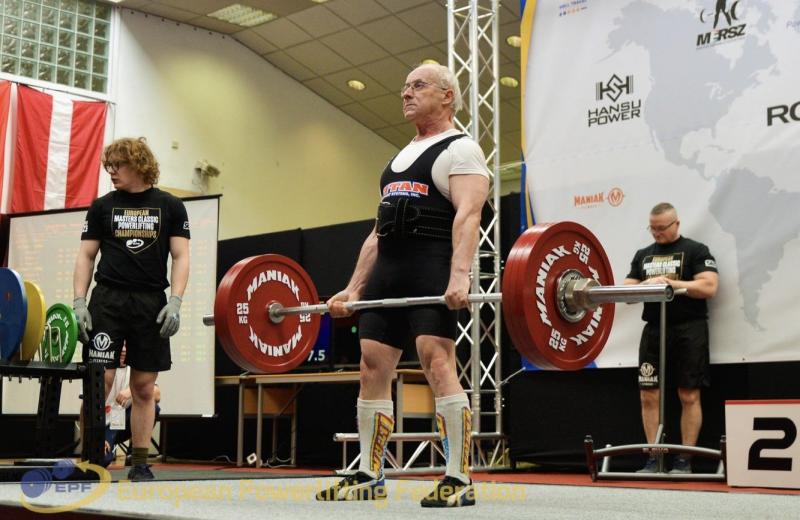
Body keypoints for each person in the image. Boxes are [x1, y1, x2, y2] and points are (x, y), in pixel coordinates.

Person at [315, 63, 489, 508]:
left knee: (437, 362)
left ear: (447, 96)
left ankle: (459, 477)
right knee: (371, 366)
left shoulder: (462, 149)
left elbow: (469, 215)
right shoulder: (396, 159)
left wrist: (459, 275)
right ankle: (369, 473)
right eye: (405, 87)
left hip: (431, 268)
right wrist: (354, 288)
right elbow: (378, 232)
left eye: (417, 86)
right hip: (388, 273)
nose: (406, 93)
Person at [73, 137, 190, 481]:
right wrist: (79, 301)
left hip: (150, 302)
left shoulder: (170, 206)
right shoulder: (102, 207)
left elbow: (181, 256)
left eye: (118, 165)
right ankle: (92, 458)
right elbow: (86, 256)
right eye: (108, 166)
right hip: (108, 299)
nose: (111, 171)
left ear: (139, 164)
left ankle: (139, 463)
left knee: (143, 386)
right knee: (100, 381)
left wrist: (176, 301)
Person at [624, 202, 718, 474]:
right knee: (648, 395)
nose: (657, 233)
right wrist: (645, 284)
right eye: (652, 228)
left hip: (689, 329)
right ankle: (654, 457)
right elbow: (626, 289)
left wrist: (672, 283)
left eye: (662, 228)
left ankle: (685, 459)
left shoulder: (696, 250)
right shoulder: (643, 255)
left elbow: (709, 286)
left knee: (688, 394)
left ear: (676, 223)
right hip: (654, 330)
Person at [101, 346, 162, 468]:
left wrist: (130, 391)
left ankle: (134, 454)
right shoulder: (102, 368)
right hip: (104, 425)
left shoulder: (135, 369)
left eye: (126, 345)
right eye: (121, 345)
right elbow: (87, 406)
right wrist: (97, 437)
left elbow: (157, 394)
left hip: (124, 419)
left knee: (154, 408)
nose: (123, 349)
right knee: (101, 460)